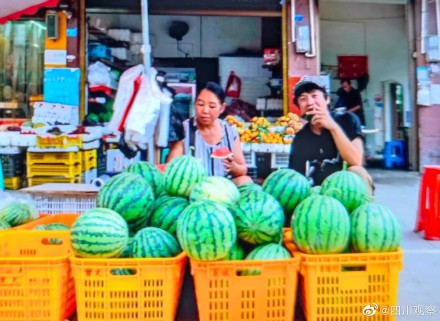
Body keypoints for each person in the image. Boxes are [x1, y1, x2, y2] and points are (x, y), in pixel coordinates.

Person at [288, 80, 374, 195]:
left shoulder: (348, 120)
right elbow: (296, 180)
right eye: (303, 99)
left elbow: (356, 161)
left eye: (314, 95)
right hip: (317, 197)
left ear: (327, 99)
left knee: (358, 171)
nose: (310, 102)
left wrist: (333, 127)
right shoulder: (300, 139)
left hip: (347, 192)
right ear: (299, 108)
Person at [167, 81, 252, 186]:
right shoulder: (184, 128)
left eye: (212, 106)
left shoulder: (230, 131)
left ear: (222, 108)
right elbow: (171, 167)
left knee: (246, 180)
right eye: (200, 104)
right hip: (193, 187)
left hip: (223, 187)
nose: (205, 110)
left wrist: (234, 167)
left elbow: (243, 169)